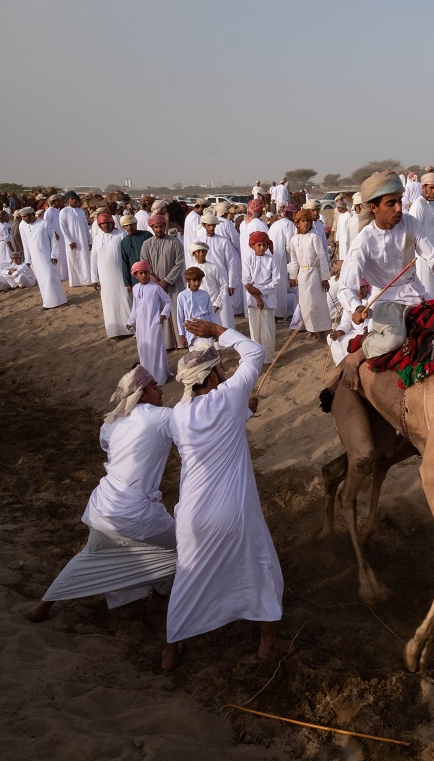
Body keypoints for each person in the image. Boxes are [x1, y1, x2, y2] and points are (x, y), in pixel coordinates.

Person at [163, 320, 287, 671]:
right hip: (232, 512)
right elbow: (255, 352)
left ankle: (172, 648)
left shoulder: (178, 414)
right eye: (220, 367)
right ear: (214, 376)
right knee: (264, 570)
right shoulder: (228, 396)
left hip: (190, 515)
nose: (224, 370)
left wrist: (243, 408)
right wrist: (219, 331)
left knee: (188, 581)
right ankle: (267, 643)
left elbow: (212, 422)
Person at [26, 366, 177, 624]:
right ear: (141, 394)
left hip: (103, 503)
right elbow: (199, 421)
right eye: (154, 387)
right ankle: (161, 597)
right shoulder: (159, 417)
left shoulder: (111, 422)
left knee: (90, 554)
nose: (160, 391)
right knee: (186, 547)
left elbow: (107, 446)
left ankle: (43, 606)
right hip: (133, 512)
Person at [339, 171, 434, 389]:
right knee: (394, 340)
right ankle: (356, 356)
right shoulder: (364, 241)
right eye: (391, 203)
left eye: (399, 201)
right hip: (384, 299)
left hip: (415, 292)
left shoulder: (410, 224)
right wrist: (356, 307)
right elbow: (345, 286)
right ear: (374, 208)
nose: (399, 208)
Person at [140, 214, 186, 349]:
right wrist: (155, 281)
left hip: (174, 284)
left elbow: (179, 263)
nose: (159, 229)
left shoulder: (175, 242)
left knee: (177, 310)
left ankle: (181, 342)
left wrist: (166, 280)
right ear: (152, 228)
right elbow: (144, 264)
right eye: (156, 227)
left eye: (161, 226)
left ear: (165, 227)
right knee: (159, 312)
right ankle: (165, 344)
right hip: (154, 285)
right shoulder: (147, 244)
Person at [288, 209, 331, 341]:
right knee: (305, 303)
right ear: (298, 224)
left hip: (315, 274)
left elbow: (322, 258)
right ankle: (311, 330)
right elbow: (294, 260)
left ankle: (322, 330)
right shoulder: (294, 240)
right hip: (303, 275)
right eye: (303, 221)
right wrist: (293, 276)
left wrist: (325, 278)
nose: (306, 223)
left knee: (318, 302)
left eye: (308, 221)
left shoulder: (315, 238)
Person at [127, 260, 172, 386]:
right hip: (141, 326)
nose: (144, 275)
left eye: (146, 272)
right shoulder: (135, 289)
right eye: (141, 273)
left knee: (156, 349)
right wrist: (130, 321)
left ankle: (159, 377)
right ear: (135, 275)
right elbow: (135, 308)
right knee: (143, 349)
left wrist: (163, 314)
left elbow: (167, 301)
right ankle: (147, 376)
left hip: (153, 323)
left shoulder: (156, 288)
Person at [90, 212, 132, 339]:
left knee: (125, 300)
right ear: (99, 225)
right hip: (105, 279)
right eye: (102, 224)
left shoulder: (121, 235)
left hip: (121, 276)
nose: (105, 226)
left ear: (112, 223)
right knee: (109, 304)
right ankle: (114, 332)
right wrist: (94, 279)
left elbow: (127, 257)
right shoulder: (97, 239)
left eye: (108, 223)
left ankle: (129, 329)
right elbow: (93, 259)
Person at [243, 230, 283, 361]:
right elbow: (246, 282)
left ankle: (268, 358)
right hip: (253, 299)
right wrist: (258, 298)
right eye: (259, 245)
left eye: (264, 245)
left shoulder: (272, 261)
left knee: (268, 330)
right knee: (255, 330)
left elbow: (275, 281)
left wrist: (260, 291)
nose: (262, 248)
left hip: (269, 298)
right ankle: (256, 358)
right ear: (252, 246)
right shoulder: (248, 260)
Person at [18, 207, 67, 309]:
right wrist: (27, 259)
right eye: (22, 217)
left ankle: (60, 301)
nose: (23, 219)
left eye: (25, 216)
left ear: (32, 214)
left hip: (47, 256)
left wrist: (54, 254)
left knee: (51, 277)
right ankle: (47, 303)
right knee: (42, 280)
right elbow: (25, 242)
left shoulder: (44, 223)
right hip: (34, 259)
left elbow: (53, 239)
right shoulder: (22, 225)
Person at [190, 242, 232, 330]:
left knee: (215, 330)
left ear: (206, 252)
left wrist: (217, 302)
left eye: (203, 251)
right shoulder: (191, 268)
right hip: (198, 306)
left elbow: (223, 284)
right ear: (194, 253)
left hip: (213, 305)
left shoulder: (214, 267)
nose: (201, 254)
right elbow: (189, 288)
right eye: (198, 251)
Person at [176, 267, 218, 346]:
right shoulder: (182, 296)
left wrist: (215, 330)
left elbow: (211, 314)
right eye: (194, 280)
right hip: (191, 330)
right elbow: (180, 317)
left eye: (199, 280)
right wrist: (181, 334)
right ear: (188, 281)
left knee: (208, 351)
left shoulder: (205, 294)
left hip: (206, 327)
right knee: (195, 354)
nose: (197, 283)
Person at [59, 191, 92, 286]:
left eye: (75, 198)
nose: (74, 200)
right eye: (72, 199)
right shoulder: (64, 211)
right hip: (72, 240)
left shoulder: (81, 211)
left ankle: (86, 280)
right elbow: (63, 228)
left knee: (85, 259)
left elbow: (86, 227)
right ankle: (75, 282)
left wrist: (89, 241)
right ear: (68, 200)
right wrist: (69, 241)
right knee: (73, 260)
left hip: (83, 239)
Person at [120, 215, 153, 291]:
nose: (129, 227)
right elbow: (125, 263)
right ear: (123, 227)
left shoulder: (147, 235)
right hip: (135, 278)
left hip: (150, 274)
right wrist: (127, 283)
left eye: (131, 224)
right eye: (126, 225)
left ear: (135, 224)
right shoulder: (124, 242)